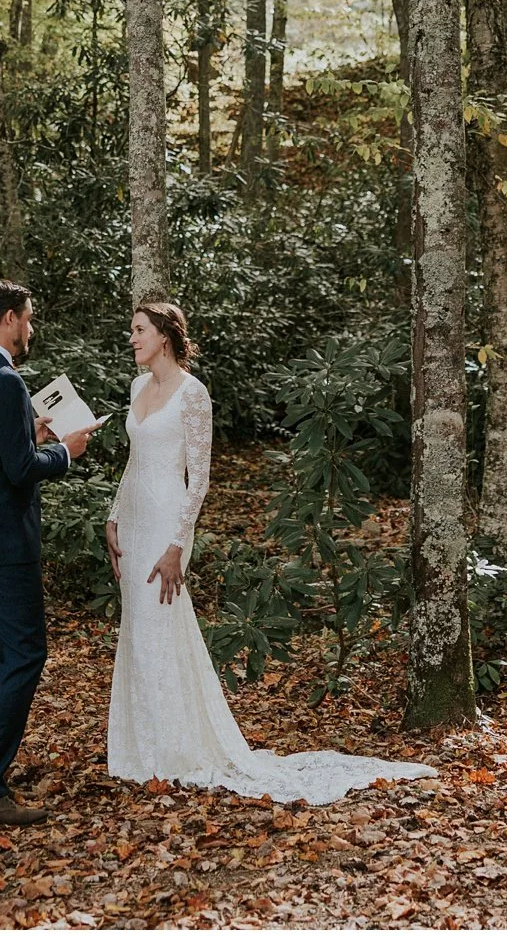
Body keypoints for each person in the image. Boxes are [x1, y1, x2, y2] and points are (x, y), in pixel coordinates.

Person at [104, 301, 436, 805]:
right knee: (139, 629)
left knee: (160, 621)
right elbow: (133, 461)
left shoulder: (193, 394)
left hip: (168, 521)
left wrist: (176, 545)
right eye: (132, 331)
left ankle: (174, 749)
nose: (132, 338)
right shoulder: (137, 388)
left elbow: (200, 479)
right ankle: (142, 748)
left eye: (139, 330)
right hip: (133, 518)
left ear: (165, 336)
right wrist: (113, 515)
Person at [0, 281, 98, 827]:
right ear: (9, 318)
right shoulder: (6, 379)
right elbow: (19, 470)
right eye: (28, 319)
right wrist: (66, 451)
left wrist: (26, 432)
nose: (31, 329)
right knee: (26, 652)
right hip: (6, 540)